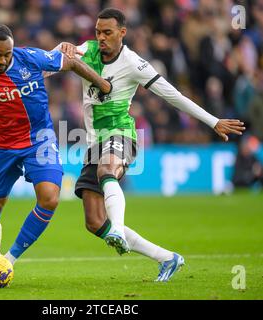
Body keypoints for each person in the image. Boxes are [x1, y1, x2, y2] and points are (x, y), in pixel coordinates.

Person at [54, 8, 246, 282]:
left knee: (107, 170)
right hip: (94, 142)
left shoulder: (134, 64)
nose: (101, 37)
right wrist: (56, 52)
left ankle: (118, 230)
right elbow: (61, 58)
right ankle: (168, 258)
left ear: (122, 32)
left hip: (122, 135)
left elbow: (173, 96)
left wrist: (212, 121)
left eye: (107, 32)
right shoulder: (90, 49)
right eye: (98, 32)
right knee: (95, 222)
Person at [0, 24, 111, 265]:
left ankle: (8, 260)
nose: (4, 60)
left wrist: (102, 84)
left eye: (7, 53)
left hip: (40, 140)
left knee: (50, 198)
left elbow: (69, 62)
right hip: (4, 146)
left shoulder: (29, 57)